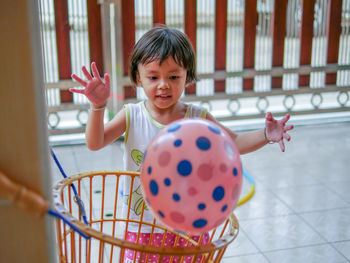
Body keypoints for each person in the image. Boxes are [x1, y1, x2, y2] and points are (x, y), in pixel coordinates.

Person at [70, 26, 293, 263]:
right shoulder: (131, 115)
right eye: (153, 77)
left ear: (188, 76)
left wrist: (266, 134)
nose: (164, 84)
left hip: (189, 227)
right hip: (142, 227)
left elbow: (234, 143)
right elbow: (95, 142)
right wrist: (97, 107)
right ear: (138, 78)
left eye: (174, 77)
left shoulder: (197, 117)